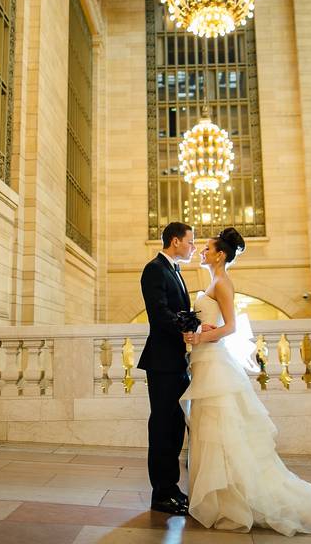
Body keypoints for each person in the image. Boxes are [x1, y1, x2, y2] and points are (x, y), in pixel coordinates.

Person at [181, 227, 311, 536]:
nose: (202, 252)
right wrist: (199, 331)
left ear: (220, 254)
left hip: (215, 366)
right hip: (205, 363)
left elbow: (229, 328)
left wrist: (201, 336)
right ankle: (219, 498)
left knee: (220, 429)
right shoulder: (213, 282)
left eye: (207, 248)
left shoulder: (223, 283)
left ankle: (231, 501)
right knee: (208, 429)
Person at [137, 221, 196, 516]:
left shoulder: (175, 270)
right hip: (161, 361)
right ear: (175, 241)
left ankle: (171, 489)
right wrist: (185, 332)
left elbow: (180, 313)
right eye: (190, 242)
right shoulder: (155, 269)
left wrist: (198, 326)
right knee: (162, 427)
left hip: (175, 361)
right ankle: (161, 493)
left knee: (174, 427)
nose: (193, 247)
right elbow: (159, 313)